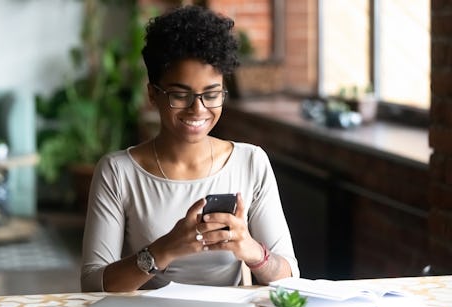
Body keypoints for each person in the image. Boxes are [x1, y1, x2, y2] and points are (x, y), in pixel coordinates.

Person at [81, 5, 299, 292]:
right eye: (180, 95)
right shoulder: (118, 172)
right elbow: (92, 285)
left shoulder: (250, 162)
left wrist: (251, 250)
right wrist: (164, 250)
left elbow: (290, 278)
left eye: (211, 94)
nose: (198, 109)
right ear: (152, 95)